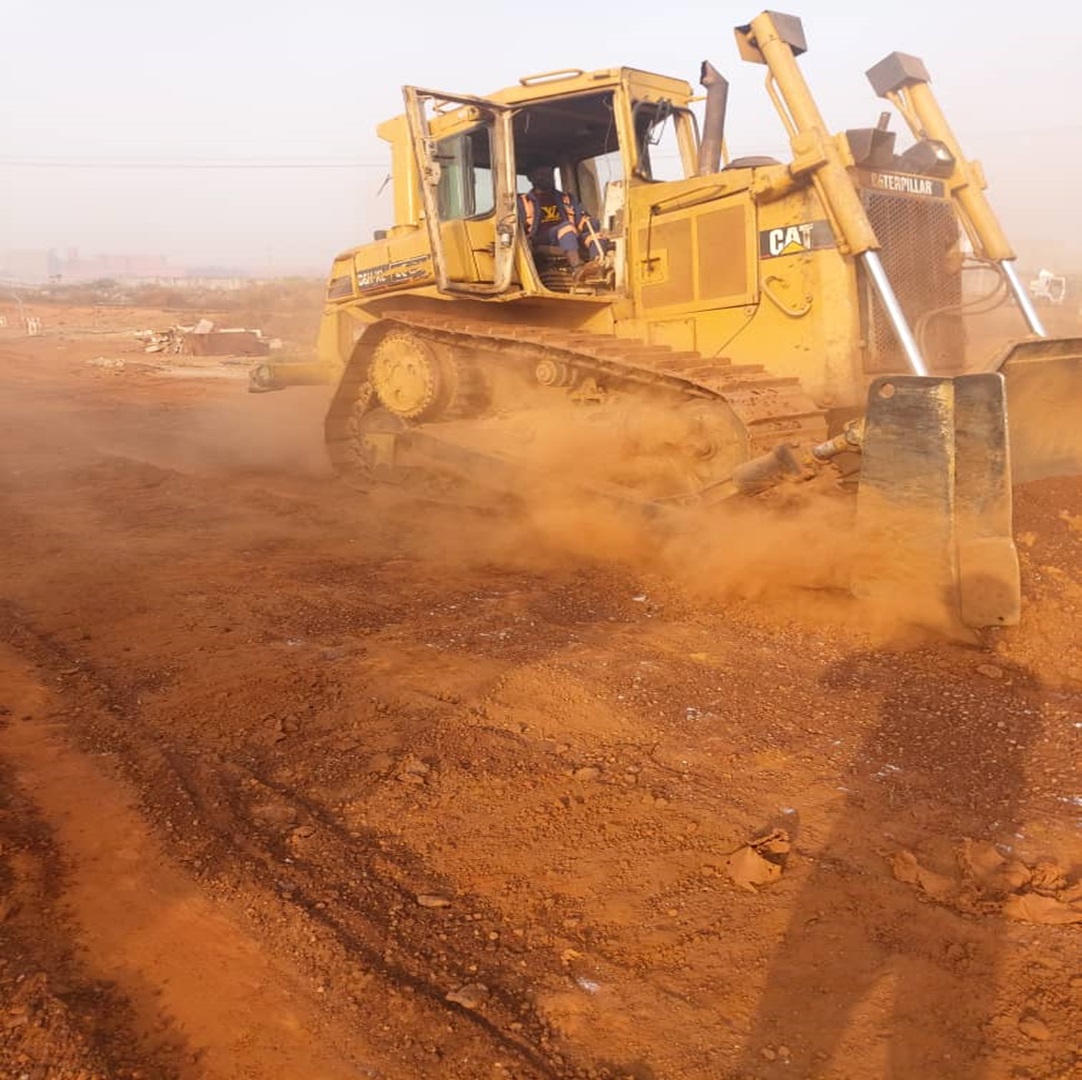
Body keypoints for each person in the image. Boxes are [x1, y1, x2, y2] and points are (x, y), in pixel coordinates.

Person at [518, 165, 605, 274]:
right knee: (566, 227)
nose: (547, 177)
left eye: (549, 173)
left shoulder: (566, 198)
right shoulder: (523, 201)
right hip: (541, 237)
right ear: (531, 178)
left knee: (596, 236)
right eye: (541, 174)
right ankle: (577, 268)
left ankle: (594, 268)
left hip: (569, 236)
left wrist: (590, 223)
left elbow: (581, 218)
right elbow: (518, 226)